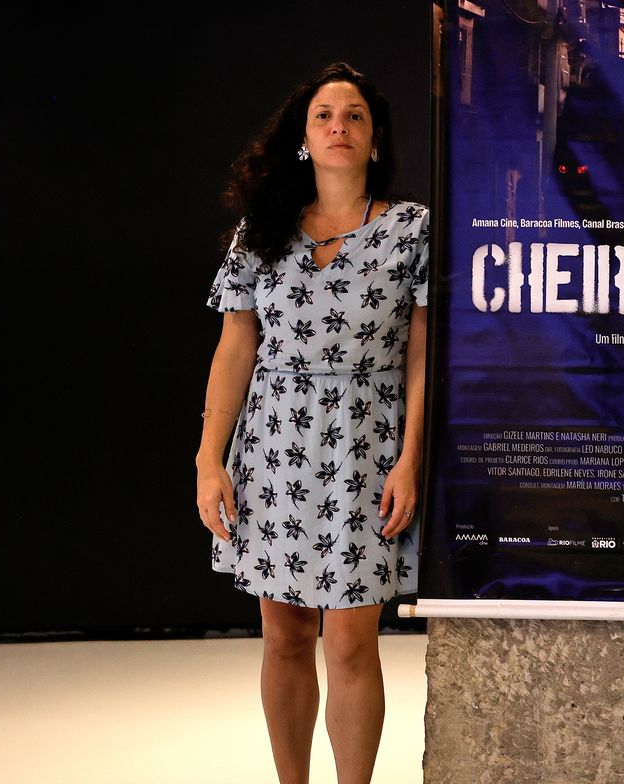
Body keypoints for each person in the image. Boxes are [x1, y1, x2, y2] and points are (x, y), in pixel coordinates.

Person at [194, 61, 430, 784]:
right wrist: (209, 459)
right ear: (303, 136)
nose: (339, 127)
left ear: (376, 137)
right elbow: (235, 346)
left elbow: (423, 355)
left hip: (366, 446)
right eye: (324, 115)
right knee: (285, 635)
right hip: (275, 446)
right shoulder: (261, 231)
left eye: (354, 115)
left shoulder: (411, 229)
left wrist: (410, 459)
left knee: (353, 642)